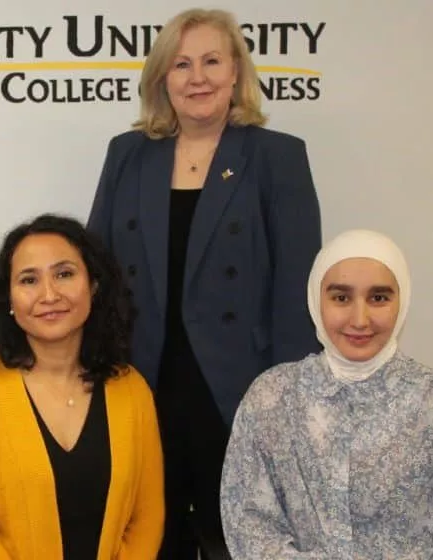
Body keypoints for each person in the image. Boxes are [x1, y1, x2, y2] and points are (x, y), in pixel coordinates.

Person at [85, 8, 322, 558]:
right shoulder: (127, 154)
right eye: (181, 65)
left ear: (236, 71)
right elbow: (97, 271)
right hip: (143, 382)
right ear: (162, 79)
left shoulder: (278, 156)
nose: (198, 78)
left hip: (240, 390)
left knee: (238, 540)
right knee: (150, 540)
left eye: (211, 61)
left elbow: (297, 291)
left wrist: (284, 400)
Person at [220, 228, 433, 558]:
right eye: (341, 298)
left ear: (402, 301)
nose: (360, 319)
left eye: (378, 298)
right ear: (316, 300)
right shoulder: (271, 400)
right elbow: (250, 526)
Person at [0, 214, 164, 559]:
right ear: (9, 300)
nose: (49, 294)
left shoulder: (132, 389)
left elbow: (147, 518)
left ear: (93, 285)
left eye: (64, 274)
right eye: (29, 280)